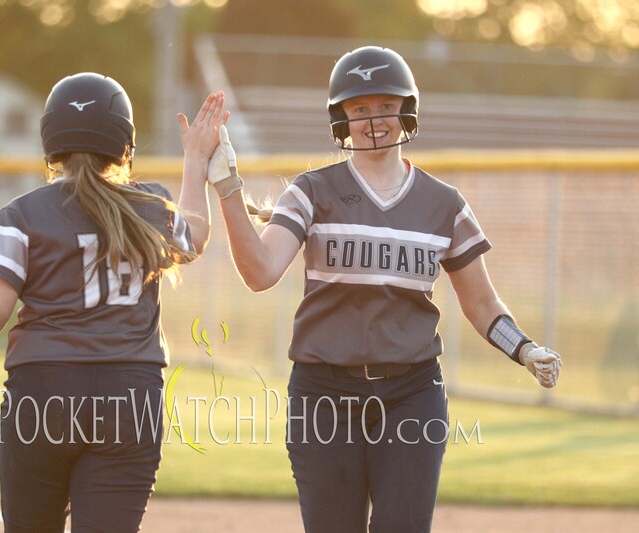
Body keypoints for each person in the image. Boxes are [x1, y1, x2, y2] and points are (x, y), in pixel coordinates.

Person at [205, 46, 562, 533]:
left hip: (412, 391)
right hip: (323, 392)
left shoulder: (445, 204)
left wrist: (522, 348)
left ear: (406, 109)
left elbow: (481, 304)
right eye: (359, 109)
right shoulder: (311, 191)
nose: (374, 120)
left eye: (385, 106)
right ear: (341, 119)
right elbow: (260, 272)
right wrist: (227, 188)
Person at [0, 72, 228, 532]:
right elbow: (195, 236)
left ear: (51, 140)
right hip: (131, 397)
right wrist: (195, 159)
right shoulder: (151, 206)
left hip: (44, 396)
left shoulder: (22, 215)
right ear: (124, 141)